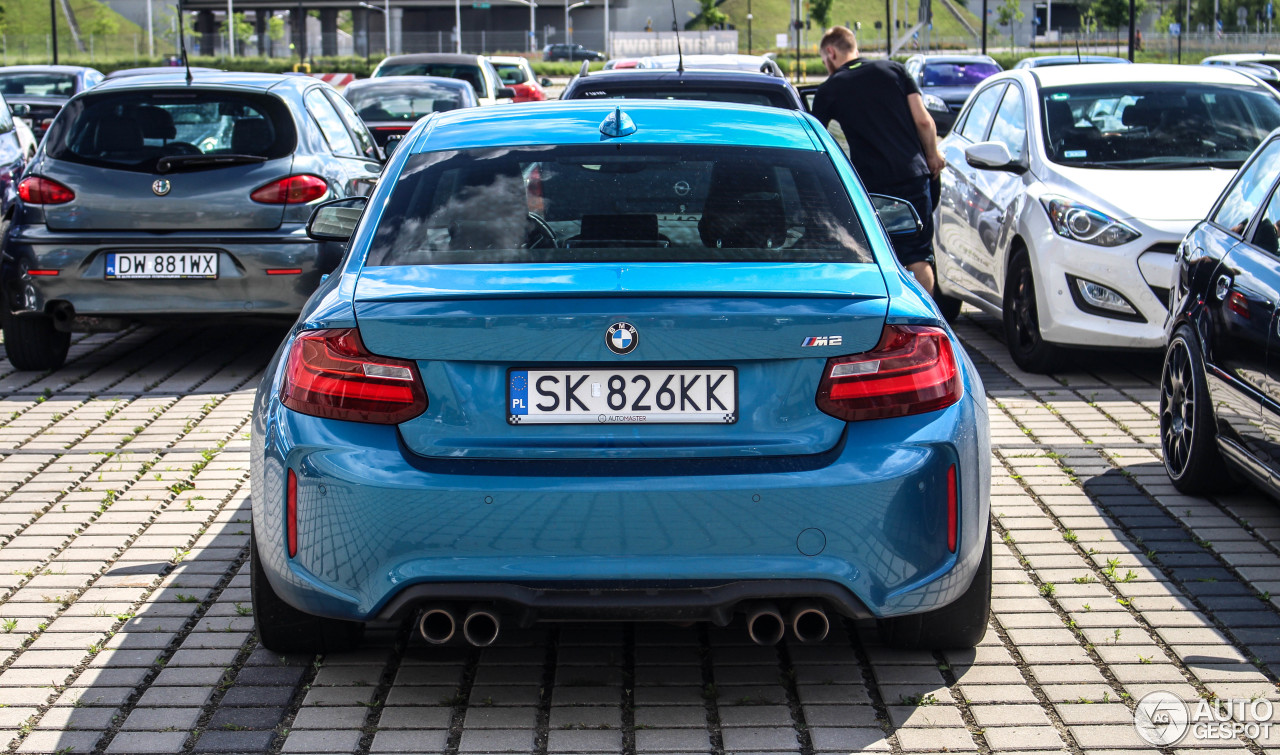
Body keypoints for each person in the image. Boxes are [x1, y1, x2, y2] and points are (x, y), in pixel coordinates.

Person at [811, 25, 945, 295]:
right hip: (913, 176)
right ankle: (921, 324)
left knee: (869, 254)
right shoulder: (894, 70)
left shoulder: (830, 89)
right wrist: (932, 156)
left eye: (825, 61)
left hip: (870, 185)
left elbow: (815, 142)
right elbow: (923, 121)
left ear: (830, 52)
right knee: (917, 254)